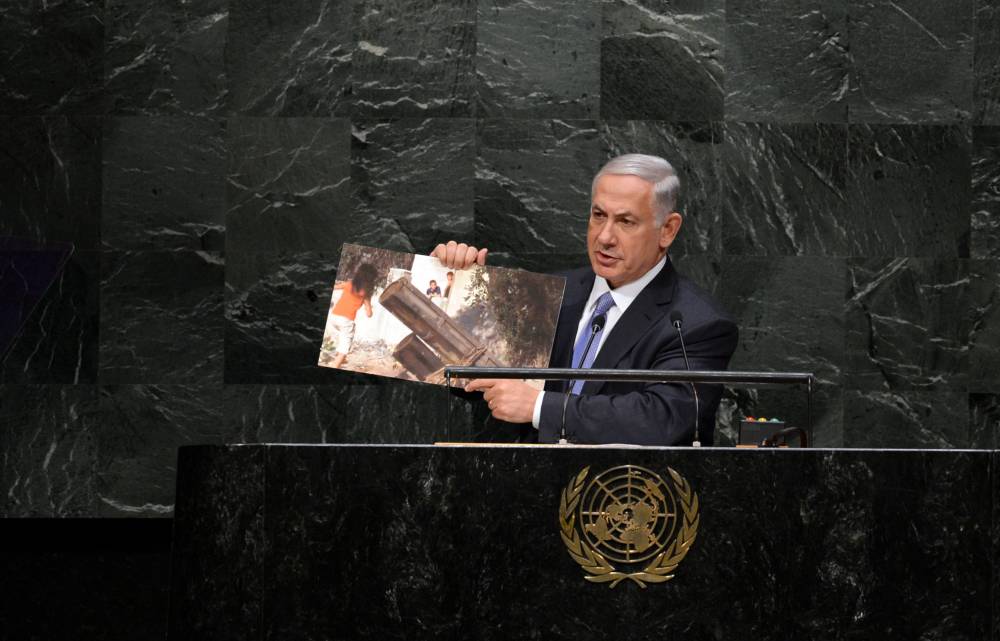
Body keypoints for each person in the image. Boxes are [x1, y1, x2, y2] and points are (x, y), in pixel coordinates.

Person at [432, 154, 738, 446]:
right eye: (599, 215)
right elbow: (485, 375)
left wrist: (541, 407)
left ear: (667, 230)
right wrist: (455, 289)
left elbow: (662, 419)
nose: (604, 237)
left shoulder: (697, 323)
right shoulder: (554, 293)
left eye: (626, 222)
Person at [327, 263, 378, 369]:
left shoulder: (349, 284)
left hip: (334, 316)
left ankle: (342, 357)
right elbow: (369, 314)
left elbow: (335, 287)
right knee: (346, 341)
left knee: (347, 332)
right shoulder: (366, 294)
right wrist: (370, 309)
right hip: (346, 320)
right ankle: (336, 364)